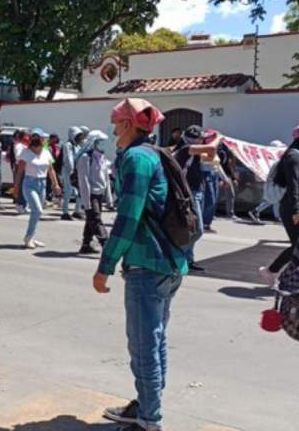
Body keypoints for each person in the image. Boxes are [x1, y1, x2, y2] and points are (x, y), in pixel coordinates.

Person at [95, 98, 188, 431]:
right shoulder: (156, 153)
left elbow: (129, 215)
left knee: (144, 346)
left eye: (115, 122)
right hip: (170, 262)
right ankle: (147, 406)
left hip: (147, 265)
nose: (112, 129)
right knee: (156, 340)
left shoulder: (135, 158)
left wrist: (105, 265)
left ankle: (149, 420)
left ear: (128, 124)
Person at [172, 126, 221, 272]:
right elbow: (211, 149)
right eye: (200, 138)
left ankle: (188, 259)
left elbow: (211, 157)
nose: (202, 140)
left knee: (192, 229)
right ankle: (177, 255)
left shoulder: (195, 151)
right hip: (188, 195)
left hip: (197, 191)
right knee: (197, 230)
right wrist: (218, 138)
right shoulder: (185, 149)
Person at [259, 125, 299, 284]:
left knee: (298, 246)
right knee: (297, 246)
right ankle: (272, 272)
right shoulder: (293, 157)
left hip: (294, 206)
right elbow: (293, 186)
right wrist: (297, 210)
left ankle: (273, 272)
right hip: (292, 207)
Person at [14, 128, 62, 249]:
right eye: (37, 138)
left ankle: (31, 237)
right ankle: (29, 237)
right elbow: (19, 172)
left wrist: (55, 184)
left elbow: (51, 169)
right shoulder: (26, 152)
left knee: (36, 213)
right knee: (37, 210)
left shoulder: (46, 152)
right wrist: (16, 187)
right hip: (29, 183)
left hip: (42, 184)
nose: (40, 140)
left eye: (41, 138)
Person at [76, 130, 110, 254]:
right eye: (100, 142)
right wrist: (86, 201)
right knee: (95, 219)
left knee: (91, 219)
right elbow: (83, 181)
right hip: (90, 194)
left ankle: (86, 244)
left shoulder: (101, 157)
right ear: (93, 142)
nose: (103, 144)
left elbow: (105, 177)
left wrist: (108, 197)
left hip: (99, 193)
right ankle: (106, 243)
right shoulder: (85, 158)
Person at [249, 140, 286, 224]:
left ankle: (278, 217)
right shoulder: (275, 161)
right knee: (271, 200)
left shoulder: (273, 159)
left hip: (273, 182)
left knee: (276, 200)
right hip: (273, 183)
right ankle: (255, 211)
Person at [59, 126, 86, 220]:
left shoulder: (77, 145)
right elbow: (68, 158)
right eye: (78, 136)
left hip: (76, 171)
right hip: (68, 171)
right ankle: (65, 212)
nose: (80, 138)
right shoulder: (68, 145)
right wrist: (72, 169)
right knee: (68, 192)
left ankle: (77, 210)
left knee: (80, 192)